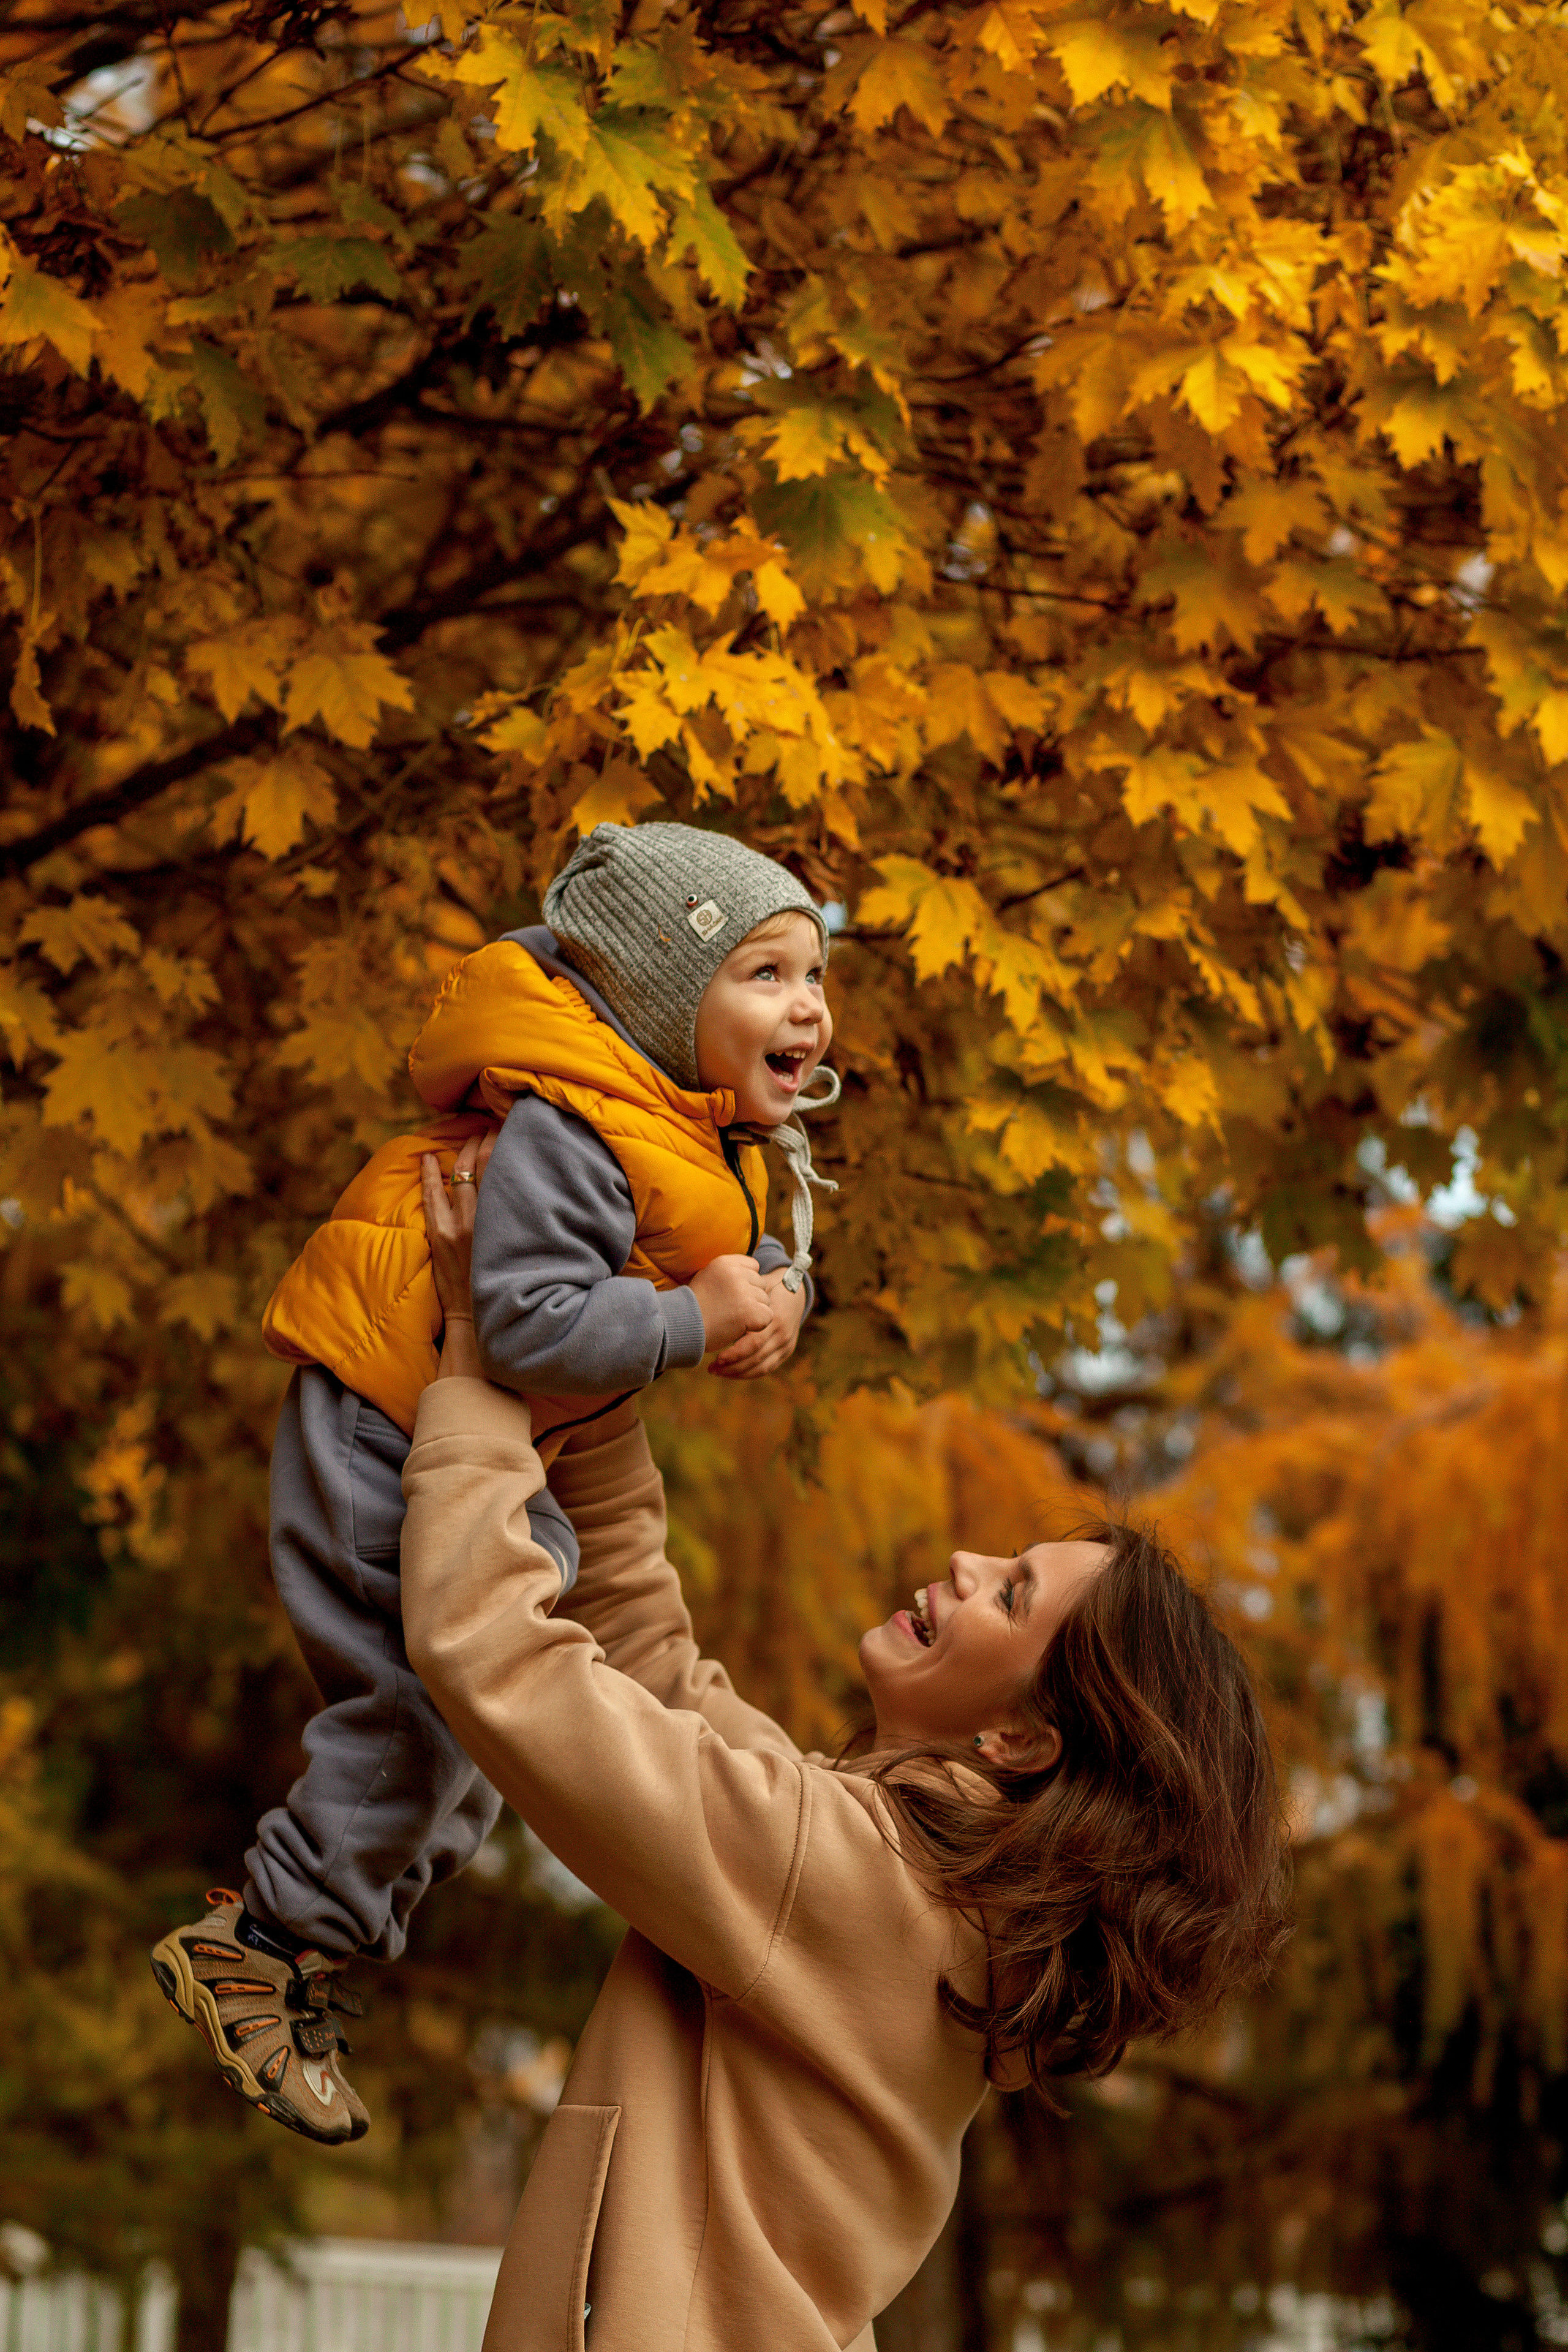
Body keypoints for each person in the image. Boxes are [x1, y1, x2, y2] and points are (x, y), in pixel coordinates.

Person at [384, 1155, 1291, 2352]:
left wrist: (471, 1356)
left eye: (1011, 1596)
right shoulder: (902, 1886)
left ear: (1020, 1737)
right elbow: (654, 1664)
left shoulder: (852, 1880)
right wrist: (584, 1358)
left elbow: (496, 1658)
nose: (967, 1565)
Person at [149, 823, 840, 2144]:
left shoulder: (678, 1122)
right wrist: (693, 1319)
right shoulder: (573, 1128)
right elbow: (522, 1323)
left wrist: (764, 1300)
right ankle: (267, 1945)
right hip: (386, 1421)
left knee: (488, 1720)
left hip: (464, 1432)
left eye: (812, 972)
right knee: (429, 1697)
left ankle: (296, 1951)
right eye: (762, 972)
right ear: (655, 995)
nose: (804, 1005)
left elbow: (695, 1265)